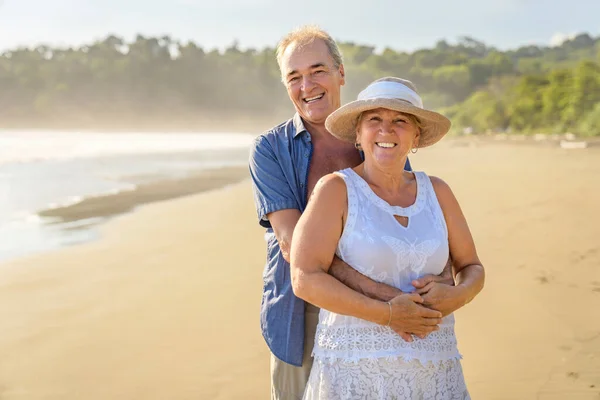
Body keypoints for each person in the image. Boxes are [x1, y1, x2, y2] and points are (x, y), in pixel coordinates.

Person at [249, 26, 458, 400]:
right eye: (294, 77)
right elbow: (292, 246)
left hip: (388, 317)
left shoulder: (379, 137)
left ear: (341, 73)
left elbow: (413, 221)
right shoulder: (269, 150)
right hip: (302, 315)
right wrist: (386, 301)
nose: (307, 85)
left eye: (318, 71)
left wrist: (439, 283)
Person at [290, 77, 485, 399]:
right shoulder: (336, 190)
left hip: (434, 368)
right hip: (355, 369)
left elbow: (472, 265)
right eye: (374, 120)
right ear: (358, 133)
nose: (386, 130)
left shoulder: (438, 191)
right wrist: (388, 315)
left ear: (416, 136)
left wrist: (460, 294)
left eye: (400, 121)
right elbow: (305, 277)